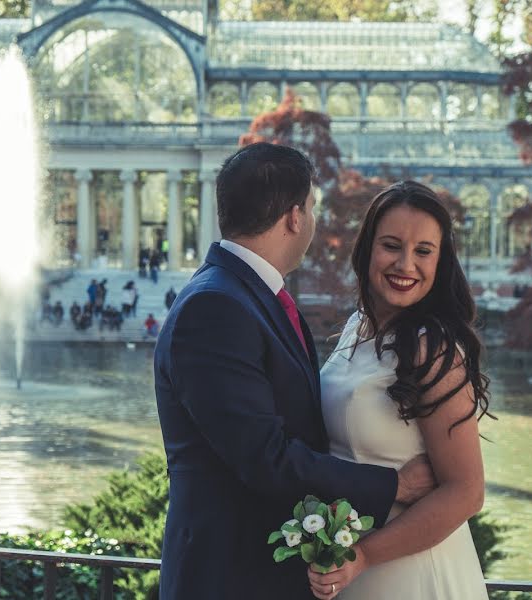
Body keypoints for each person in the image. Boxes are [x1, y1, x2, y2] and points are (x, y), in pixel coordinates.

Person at [154, 143, 435, 600]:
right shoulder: (215, 306)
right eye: (312, 208)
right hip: (231, 577)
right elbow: (266, 457)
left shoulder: (249, 296)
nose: (313, 221)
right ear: (293, 217)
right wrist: (395, 483)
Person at [308, 181, 491, 600]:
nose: (406, 264)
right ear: (367, 248)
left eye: (423, 251)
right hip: (350, 567)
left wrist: (364, 557)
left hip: (410, 572)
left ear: (440, 261)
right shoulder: (357, 326)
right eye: (392, 245)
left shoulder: (432, 348)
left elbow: (466, 492)